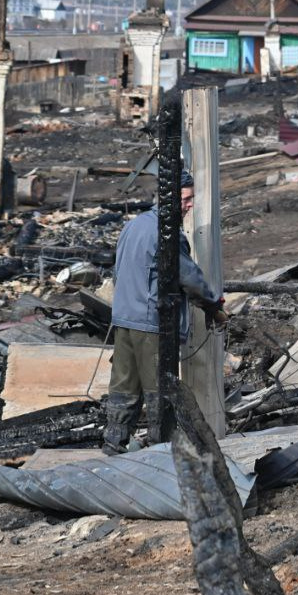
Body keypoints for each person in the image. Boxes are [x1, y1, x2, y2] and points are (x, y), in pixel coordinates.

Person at [105, 170, 227, 454]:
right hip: (151, 324)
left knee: (124, 387)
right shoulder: (168, 234)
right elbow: (190, 279)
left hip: (124, 319)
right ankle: (163, 451)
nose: (190, 205)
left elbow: (118, 271)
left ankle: (114, 442)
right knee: (160, 391)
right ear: (170, 198)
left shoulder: (133, 226)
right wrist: (214, 307)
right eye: (186, 199)